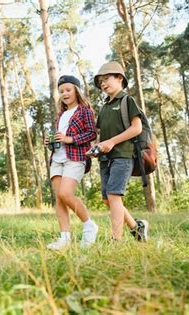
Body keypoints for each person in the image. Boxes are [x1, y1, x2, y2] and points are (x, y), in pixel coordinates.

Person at [92, 61, 148, 242]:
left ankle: (116, 239)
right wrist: (96, 149)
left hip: (123, 155)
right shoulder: (104, 107)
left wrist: (112, 142)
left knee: (114, 195)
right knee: (108, 199)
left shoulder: (127, 100)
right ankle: (136, 228)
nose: (103, 84)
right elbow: (104, 136)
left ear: (119, 78)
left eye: (106, 79)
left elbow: (136, 128)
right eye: (100, 82)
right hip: (105, 158)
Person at [44, 75, 98, 250]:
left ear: (76, 90)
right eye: (61, 91)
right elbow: (61, 137)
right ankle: (64, 238)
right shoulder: (61, 115)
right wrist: (51, 142)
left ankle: (89, 225)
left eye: (68, 90)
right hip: (57, 158)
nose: (64, 93)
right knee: (59, 199)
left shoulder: (84, 110)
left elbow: (92, 134)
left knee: (66, 194)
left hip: (75, 157)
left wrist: (70, 139)